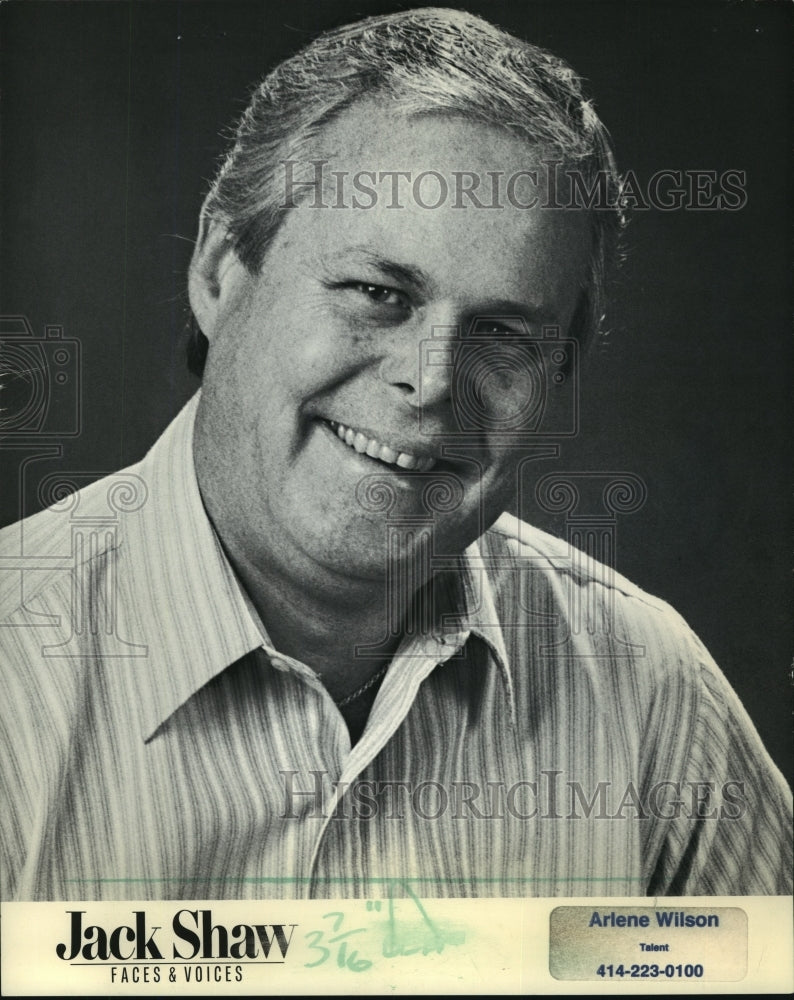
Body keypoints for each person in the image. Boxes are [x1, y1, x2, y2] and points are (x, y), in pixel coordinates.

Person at [0, 6, 790, 902]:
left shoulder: (650, 697)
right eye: (378, 292)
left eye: (502, 334)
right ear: (221, 271)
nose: (432, 383)